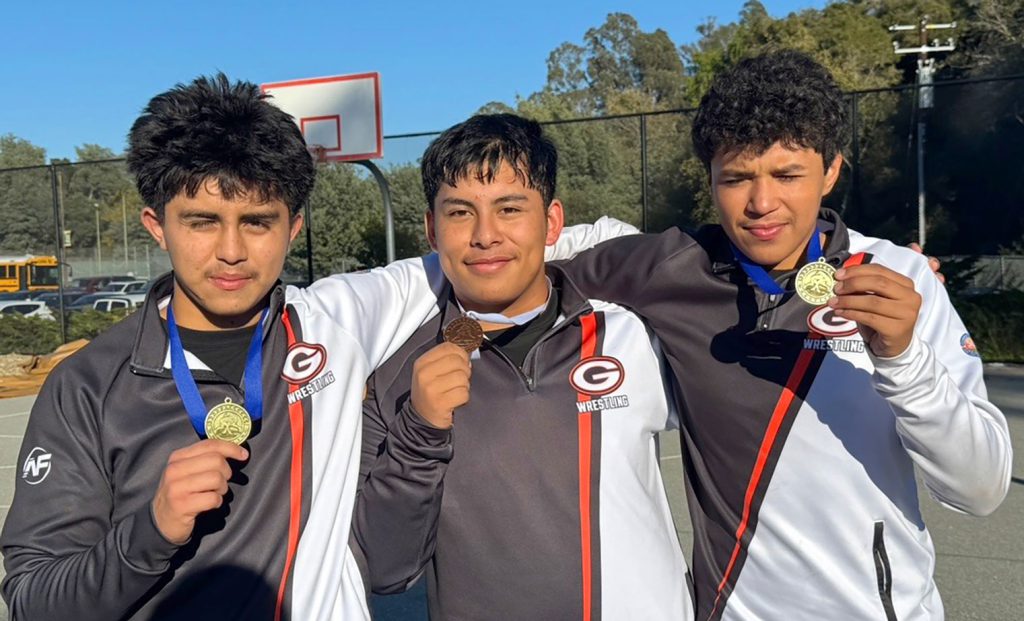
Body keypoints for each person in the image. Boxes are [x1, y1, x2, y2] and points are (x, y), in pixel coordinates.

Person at [550, 50, 1012, 620]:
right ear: (710, 179)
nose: (761, 203)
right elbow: (524, 254)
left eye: (788, 175)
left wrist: (905, 359)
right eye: (737, 178)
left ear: (832, 170)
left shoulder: (900, 278)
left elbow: (981, 488)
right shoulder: (668, 268)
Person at [0, 74, 447, 620]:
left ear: (293, 226)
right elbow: (33, 602)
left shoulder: (336, 320)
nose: (231, 251)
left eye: (257, 222)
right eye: (202, 222)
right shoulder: (87, 387)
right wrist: (150, 530)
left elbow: (489, 254)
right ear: (157, 225)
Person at [354, 114, 693, 620]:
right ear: (430, 228)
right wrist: (420, 432)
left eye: (510, 208)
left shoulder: (633, 329)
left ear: (552, 222)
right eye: (460, 213)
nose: (486, 235)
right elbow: (386, 569)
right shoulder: (393, 374)